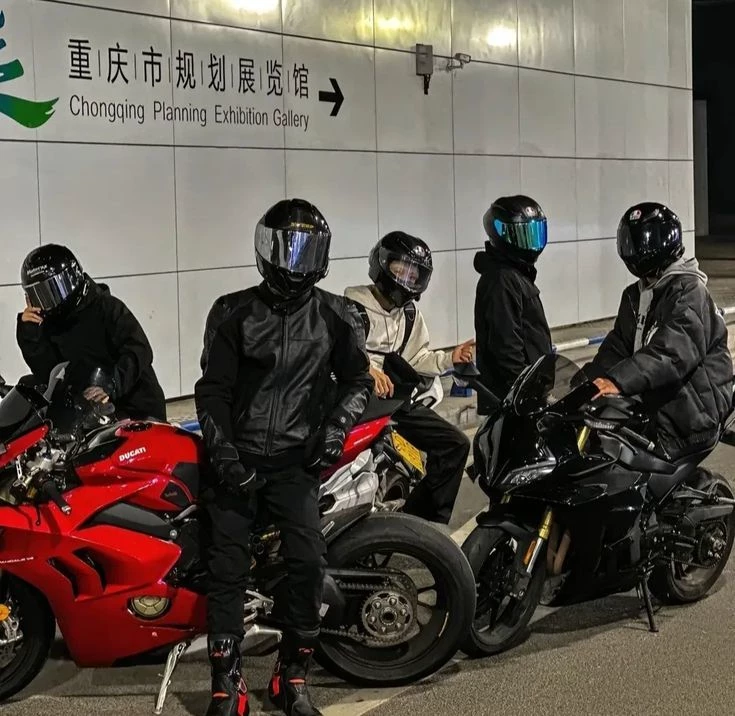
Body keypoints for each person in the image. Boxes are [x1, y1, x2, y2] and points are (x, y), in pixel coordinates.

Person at [195, 198, 373, 716]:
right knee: (225, 566)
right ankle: (226, 683)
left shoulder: (337, 314)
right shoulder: (231, 311)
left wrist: (336, 429)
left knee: (308, 563)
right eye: (288, 249)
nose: (297, 263)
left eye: (308, 251)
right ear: (264, 248)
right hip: (237, 459)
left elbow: (359, 381)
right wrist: (226, 456)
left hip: (296, 463)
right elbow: (212, 391)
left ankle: (292, 675)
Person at [583, 202, 733, 460]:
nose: (638, 250)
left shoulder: (689, 291)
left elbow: (672, 353)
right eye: (632, 242)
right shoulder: (635, 295)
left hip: (690, 416)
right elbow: (617, 346)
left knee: (623, 468)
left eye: (644, 242)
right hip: (656, 407)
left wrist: (617, 381)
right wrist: (582, 385)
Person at [344, 231, 473, 526]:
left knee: (456, 444)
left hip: (393, 402)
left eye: (414, 275)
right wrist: (365, 370)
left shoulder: (410, 314)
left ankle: (420, 524)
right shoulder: (351, 306)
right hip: (354, 402)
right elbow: (335, 355)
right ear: (382, 264)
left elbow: (417, 358)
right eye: (400, 269)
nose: (406, 279)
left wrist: (449, 359)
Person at [16, 244, 166, 421]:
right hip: (88, 416)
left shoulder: (107, 307)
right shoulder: (49, 323)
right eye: (38, 295)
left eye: (53, 291)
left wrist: (111, 384)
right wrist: (29, 334)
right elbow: (48, 374)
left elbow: (138, 350)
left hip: (136, 409)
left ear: (72, 280)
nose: (48, 302)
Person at [473, 195, 552, 413]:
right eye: (523, 235)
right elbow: (506, 348)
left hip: (523, 395)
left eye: (534, 234)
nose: (531, 243)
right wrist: (527, 392)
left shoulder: (514, 275)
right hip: (513, 401)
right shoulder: (502, 280)